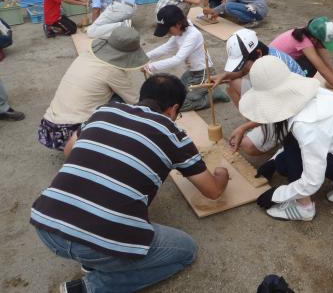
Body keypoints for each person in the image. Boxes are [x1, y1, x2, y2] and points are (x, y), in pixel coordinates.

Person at [31, 74, 229, 293]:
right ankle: (90, 287)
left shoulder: (104, 111)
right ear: (173, 110)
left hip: (46, 226)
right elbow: (212, 191)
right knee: (186, 251)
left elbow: (70, 151)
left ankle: (92, 261)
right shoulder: (174, 135)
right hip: (98, 240)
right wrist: (222, 172)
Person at [239, 56, 333, 221]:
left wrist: (277, 194)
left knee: (292, 147)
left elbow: (313, 180)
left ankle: (303, 208)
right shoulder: (312, 95)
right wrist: (274, 161)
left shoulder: (306, 124)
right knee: (283, 163)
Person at [38, 26, 147, 151]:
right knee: (121, 104)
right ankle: (97, 143)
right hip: (72, 130)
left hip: (51, 125)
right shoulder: (113, 71)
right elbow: (134, 101)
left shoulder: (87, 54)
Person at [212, 29, 306, 157]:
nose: (243, 69)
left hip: (291, 114)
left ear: (258, 53)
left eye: (244, 65)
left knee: (247, 145)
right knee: (232, 82)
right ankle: (259, 126)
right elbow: (243, 71)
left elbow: (277, 111)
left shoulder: (275, 70)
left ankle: (287, 136)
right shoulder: (264, 57)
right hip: (275, 102)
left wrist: (243, 128)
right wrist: (225, 76)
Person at [144, 5, 229, 111]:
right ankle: (208, 90)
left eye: (168, 29)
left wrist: (151, 66)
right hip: (192, 73)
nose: (167, 33)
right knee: (175, 95)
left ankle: (213, 95)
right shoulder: (179, 32)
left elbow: (177, 59)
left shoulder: (193, 35)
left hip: (204, 74)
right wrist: (145, 57)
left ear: (178, 24)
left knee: (181, 105)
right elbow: (166, 48)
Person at [270, 17, 333, 108]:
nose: (326, 47)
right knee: (312, 63)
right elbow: (323, 70)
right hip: (272, 74)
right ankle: (291, 94)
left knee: (315, 59)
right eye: (325, 44)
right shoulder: (304, 42)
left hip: (280, 67)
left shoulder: (310, 35)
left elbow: (330, 65)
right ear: (314, 40)